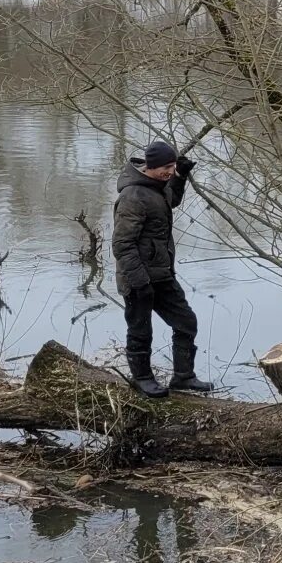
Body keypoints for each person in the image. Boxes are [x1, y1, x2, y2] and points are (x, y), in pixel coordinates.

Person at [111, 139, 212, 398]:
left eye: (172, 165)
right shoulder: (133, 196)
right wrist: (139, 281)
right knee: (140, 330)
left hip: (161, 274)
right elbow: (122, 244)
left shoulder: (158, 187)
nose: (169, 170)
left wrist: (180, 177)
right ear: (151, 166)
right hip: (137, 279)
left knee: (186, 322)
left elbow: (171, 201)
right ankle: (142, 379)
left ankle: (183, 377)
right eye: (166, 167)